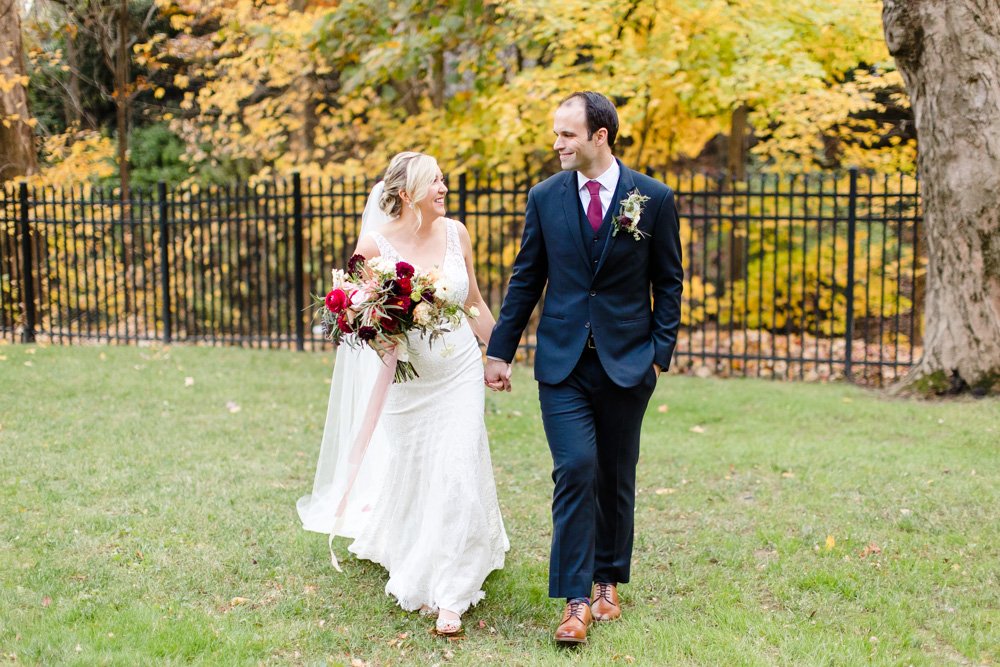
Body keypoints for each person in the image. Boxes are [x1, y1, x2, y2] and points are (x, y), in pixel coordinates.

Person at [484, 92, 683, 645]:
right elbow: (527, 276)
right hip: (562, 362)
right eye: (556, 133)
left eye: (567, 134)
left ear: (600, 136)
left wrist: (658, 355)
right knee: (575, 469)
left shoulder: (653, 197)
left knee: (615, 474)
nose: (557, 144)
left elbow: (668, 282)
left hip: (628, 363)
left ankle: (607, 580)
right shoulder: (545, 197)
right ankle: (575, 602)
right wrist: (500, 349)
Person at [298, 151, 509, 636]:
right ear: (406, 193)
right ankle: (415, 547)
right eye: (434, 182)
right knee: (417, 472)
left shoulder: (457, 234)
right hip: (408, 385)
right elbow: (356, 320)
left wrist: (496, 354)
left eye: (443, 180)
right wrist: (383, 327)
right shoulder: (375, 245)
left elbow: (473, 301)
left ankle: (453, 592)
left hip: (457, 371)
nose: (443, 188)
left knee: (456, 467)